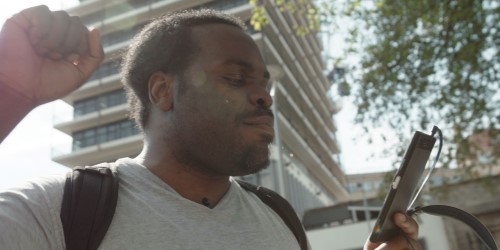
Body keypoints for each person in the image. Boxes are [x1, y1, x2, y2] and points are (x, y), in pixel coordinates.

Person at [0, 5, 421, 250]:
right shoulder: (58, 211)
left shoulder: (280, 219)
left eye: (264, 84)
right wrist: (9, 92)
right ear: (163, 91)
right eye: (237, 79)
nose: (264, 97)